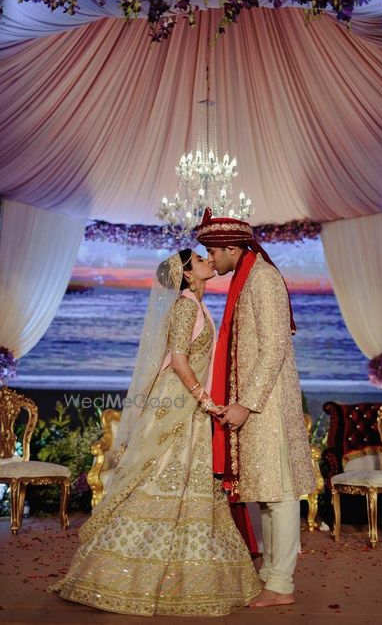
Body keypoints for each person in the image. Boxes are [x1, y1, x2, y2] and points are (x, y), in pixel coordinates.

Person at [49, 249, 261, 617]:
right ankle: (117, 573)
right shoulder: (185, 306)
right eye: (199, 259)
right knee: (159, 478)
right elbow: (178, 361)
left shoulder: (196, 305)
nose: (209, 260)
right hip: (178, 403)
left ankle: (179, 574)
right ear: (187, 275)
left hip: (188, 404)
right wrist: (207, 402)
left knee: (183, 483)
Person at [196, 208, 316, 608]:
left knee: (279, 492)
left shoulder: (262, 278)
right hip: (256, 403)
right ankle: (270, 574)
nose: (210, 261)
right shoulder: (247, 278)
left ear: (232, 247)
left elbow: (275, 346)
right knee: (265, 491)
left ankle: (281, 584)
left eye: (213, 253)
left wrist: (246, 403)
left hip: (269, 406)